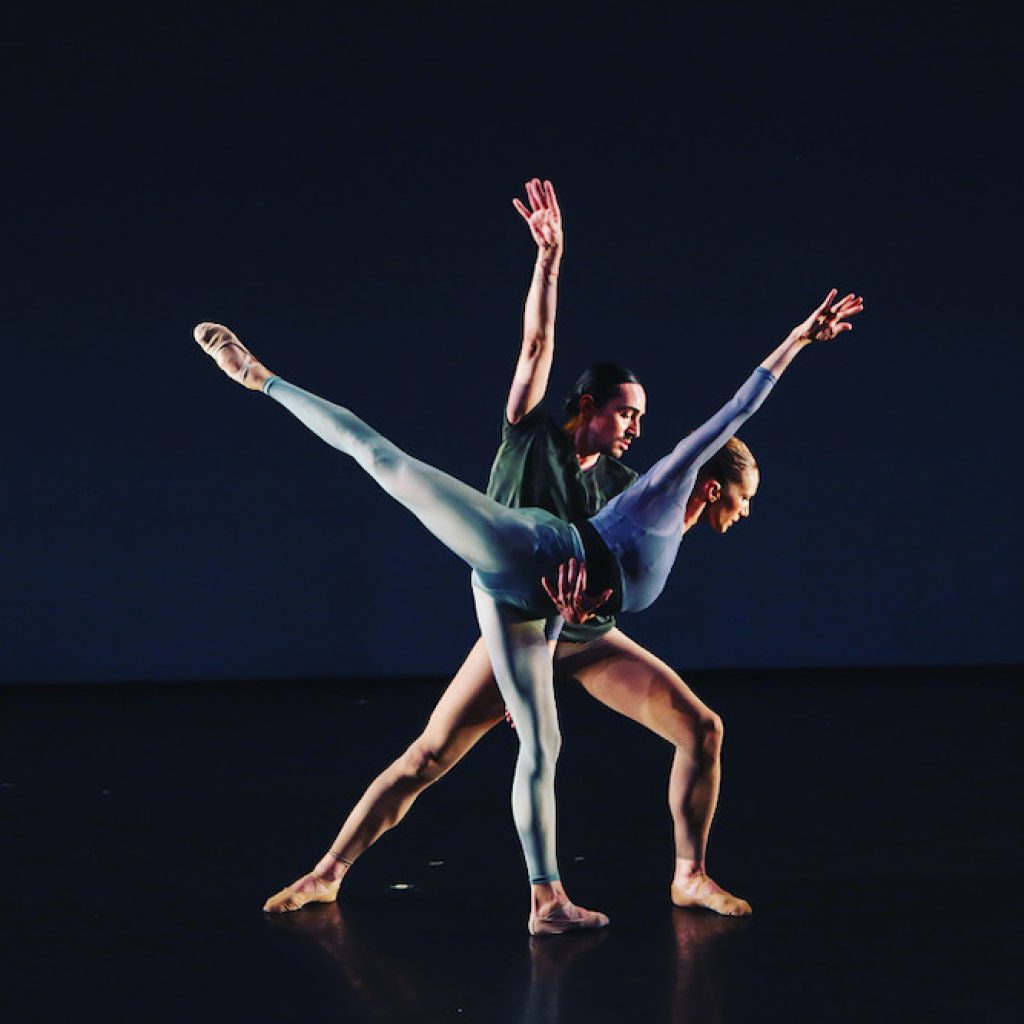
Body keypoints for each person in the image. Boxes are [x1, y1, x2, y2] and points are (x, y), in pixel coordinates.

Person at [195, 201, 862, 937]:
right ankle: (258, 376)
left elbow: (602, 567)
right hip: (515, 606)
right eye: (626, 414)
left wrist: (577, 610)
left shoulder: (619, 486)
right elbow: (541, 342)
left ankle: (688, 875)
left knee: (701, 727)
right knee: (431, 751)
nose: (636, 428)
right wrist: (549, 259)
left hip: (577, 634)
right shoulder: (531, 433)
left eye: (641, 420)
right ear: (588, 407)